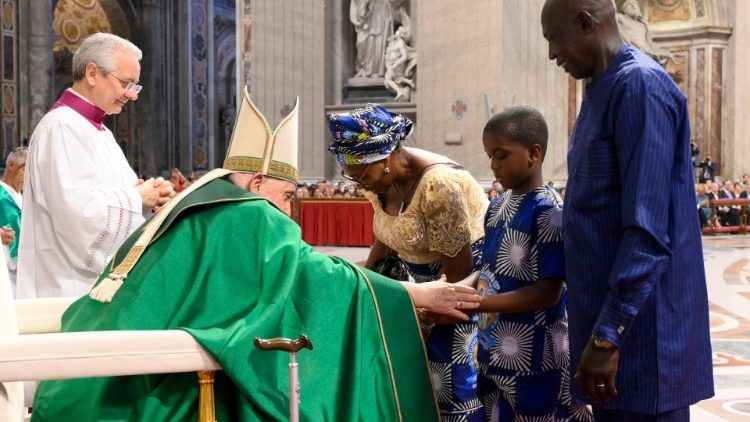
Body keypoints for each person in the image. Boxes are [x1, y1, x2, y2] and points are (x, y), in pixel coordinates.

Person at [31, 90, 482, 422]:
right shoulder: (246, 212)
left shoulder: (206, 196)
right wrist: (418, 296)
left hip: (80, 381)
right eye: (286, 196)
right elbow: (314, 273)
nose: (288, 211)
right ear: (259, 180)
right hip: (126, 389)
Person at [541, 0, 713, 420]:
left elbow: (647, 233)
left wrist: (606, 338)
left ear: (585, 23)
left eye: (553, 39)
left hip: (641, 341)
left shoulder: (640, 86)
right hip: (608, 338)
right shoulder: (601, 87)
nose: (551, 55)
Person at [328, 103, 489, 420]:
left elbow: (457, 270)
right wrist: (364, 283)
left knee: (450, 388)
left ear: (384, 157)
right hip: (421, 292)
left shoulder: (438, 186)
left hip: (459, 292)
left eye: (361, 174)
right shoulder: (378, 183)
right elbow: (386, 237)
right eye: (351, 176)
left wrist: (422, 317)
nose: (360, 183)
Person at [16, 33, 174, 299]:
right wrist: (137, 198)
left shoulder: (99, 131)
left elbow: (116, 195)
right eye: (127, 83)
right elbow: (78, 214)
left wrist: (151, 197)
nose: (131, 95)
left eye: (136, 86)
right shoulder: (62, 127)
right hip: (68, 288)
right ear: (92, 73)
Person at [474, 107, 592, 421]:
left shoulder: (548, 209)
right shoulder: (498, 205)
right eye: (489, 155)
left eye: (501, 155)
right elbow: (489, 270)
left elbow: (547, 292)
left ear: (533, 153)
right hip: (493, 343)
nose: (493, 165)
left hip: (535, 352)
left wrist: (479, 303)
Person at [0, 147, 26, 294]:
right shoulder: (1, 194)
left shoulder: (22, 197)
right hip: (5, 267)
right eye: (25, 170)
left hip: (23, 268)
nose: (28, 177)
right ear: (11, 166)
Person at [350, 0, 392, 78]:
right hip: (367, 18)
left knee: (378, 42)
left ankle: (378, 70)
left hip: (381, 13)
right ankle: (365, 69)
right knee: (362, 43)